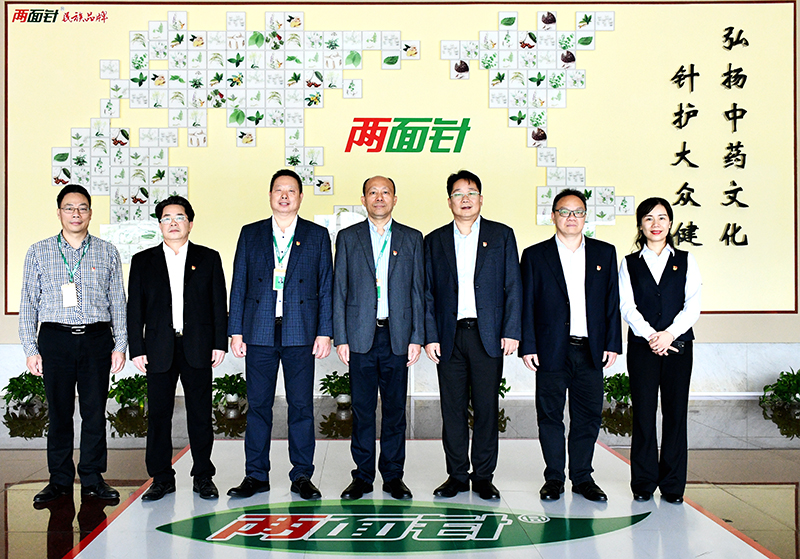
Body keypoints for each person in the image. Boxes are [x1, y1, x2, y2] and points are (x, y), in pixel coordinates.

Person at [227, 169, 333, 500]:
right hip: (259, 330)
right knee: (258, 406)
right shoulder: (251, 233)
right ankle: (256, 474)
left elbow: (326, 286)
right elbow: (239, 283)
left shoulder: (316, 235)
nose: (284, 196)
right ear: (270, 196)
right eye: (278, 190)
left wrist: (325, 332)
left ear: (300, 197)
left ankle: (302, 474)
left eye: (291, 190)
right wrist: (235, 331)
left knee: (301, 406)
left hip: (300, 331)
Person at [19, 184, 127, 504]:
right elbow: (28, 303)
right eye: (69, 208)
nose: (76, 213)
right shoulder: (38, 251)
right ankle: (60, 480)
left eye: (82, 208)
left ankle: (93, 478)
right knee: (59, 414)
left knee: (94, 413)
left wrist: (120, 344)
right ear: (59, 213)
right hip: (55, 339)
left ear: (90, 213)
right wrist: (31, 349)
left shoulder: (107, 251)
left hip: (96, 339)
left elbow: (117, 302)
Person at [424, 170, 522, 501]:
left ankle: (482, 476)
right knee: (452, 410)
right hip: (449, 336)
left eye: (471, 193)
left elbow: (513, 285)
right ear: (449, 201)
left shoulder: (501, 235)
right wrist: (430, 335)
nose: (464, 199)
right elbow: (427, 292)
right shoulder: (434, 240)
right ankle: (456, 475)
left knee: (485, 408)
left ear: (481, 199)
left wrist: (511, 330)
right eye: (458, 193)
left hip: (487, 335)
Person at [520, 188, 621, 502]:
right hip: (550, 349)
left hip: (590, 349)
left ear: (585, 217)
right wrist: (528, 345)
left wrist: (612, 343)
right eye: (564, 211)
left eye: (577, 212)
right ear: (553, 216)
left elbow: (611, 302)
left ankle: (582, 477)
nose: (571, 217)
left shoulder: (604, 253)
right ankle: (554, 478)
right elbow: (527, 304)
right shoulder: (535, 255)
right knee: (550, 416)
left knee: (588, 416)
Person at [127, 196, 228, 501]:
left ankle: (203, 476)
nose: (173, 223)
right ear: (159, 225)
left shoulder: (208, 258)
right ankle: (161, 478)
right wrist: (137, 348)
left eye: (180, 217)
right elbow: (135, 310)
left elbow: (218, 304)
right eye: (167, 218)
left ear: (190, 223)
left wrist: (219, 343)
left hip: (197, 346)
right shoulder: (142, 261)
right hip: (158, 348)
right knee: (158, 416)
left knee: (200, 414)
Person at [333, 176, 424, 501]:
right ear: (364, 199)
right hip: (360, 336)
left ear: (395, 199)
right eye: (373, 192)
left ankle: (393, 476)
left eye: (386, 192)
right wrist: (340, 337)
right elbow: (339, 289)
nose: (379, 197)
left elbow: (418, 290)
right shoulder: (348, 237)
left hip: (397, 336)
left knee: (395, 411)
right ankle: (362, 476)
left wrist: (417, 336)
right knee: (362, 410)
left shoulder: (412, 238)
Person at [619, 197, 701, 504]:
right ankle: (643, 482)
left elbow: (693, 305)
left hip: (678, 346)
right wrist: (652, 336)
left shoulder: (686, 260)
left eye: (662, 217)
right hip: (643, 347)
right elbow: (627, 306)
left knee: (675, 414)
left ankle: (673, 485)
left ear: (670, 223)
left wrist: (669, 335)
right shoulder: (629, 263)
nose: (656, 224)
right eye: (649, 218)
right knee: (642, 413)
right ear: (640, 225)